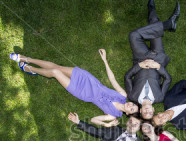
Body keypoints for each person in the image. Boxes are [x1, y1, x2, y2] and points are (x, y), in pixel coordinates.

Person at [9, 49, 138, 127]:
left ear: (128, 114)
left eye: (132, 109)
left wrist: (107, 124)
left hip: (81, 92)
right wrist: (105, 60)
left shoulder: (113, 115)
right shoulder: (123, 95)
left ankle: (29, 68)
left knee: (55, 72)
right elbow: (112, 79)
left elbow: (94, 120)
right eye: (133, 105)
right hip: (88, 79)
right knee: (58, 67)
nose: (130, 106)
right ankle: (27, 58)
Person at [125, 0, 180, 120]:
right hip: (157, 58)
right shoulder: (160, 97)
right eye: (150, 113)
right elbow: (167, 79)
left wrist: (140, 65)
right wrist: (157, 67)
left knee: (133, 35)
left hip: (140, 57)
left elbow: (128, 76)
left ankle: (166, 23)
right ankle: (155, 13)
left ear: (140, 110)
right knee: (154, 24)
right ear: (153, 110)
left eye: (145, 113)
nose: (147, 111)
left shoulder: (132, 97)